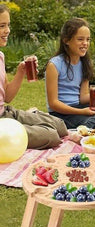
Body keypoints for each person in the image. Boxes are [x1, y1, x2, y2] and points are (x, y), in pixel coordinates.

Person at [0, 4, 68, 150]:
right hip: (1, 125)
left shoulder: (0, 56)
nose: (7, 31)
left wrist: (20, 72)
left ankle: (32, 116)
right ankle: (31, 119)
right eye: (1, 26)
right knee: (52, 136)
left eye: (8, 25)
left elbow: (7, 97)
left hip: (6, 112)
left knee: (61, 126)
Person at [45, 18, 95, 130]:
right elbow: (53, 104)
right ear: (66, 40)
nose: (85, 43)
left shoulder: (84, 62)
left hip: (81, 108)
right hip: (61, 115)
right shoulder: (54, 65)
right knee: (93, 123)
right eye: (80, 39)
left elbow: (83, 98)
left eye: (88, 39)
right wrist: (82, 111)